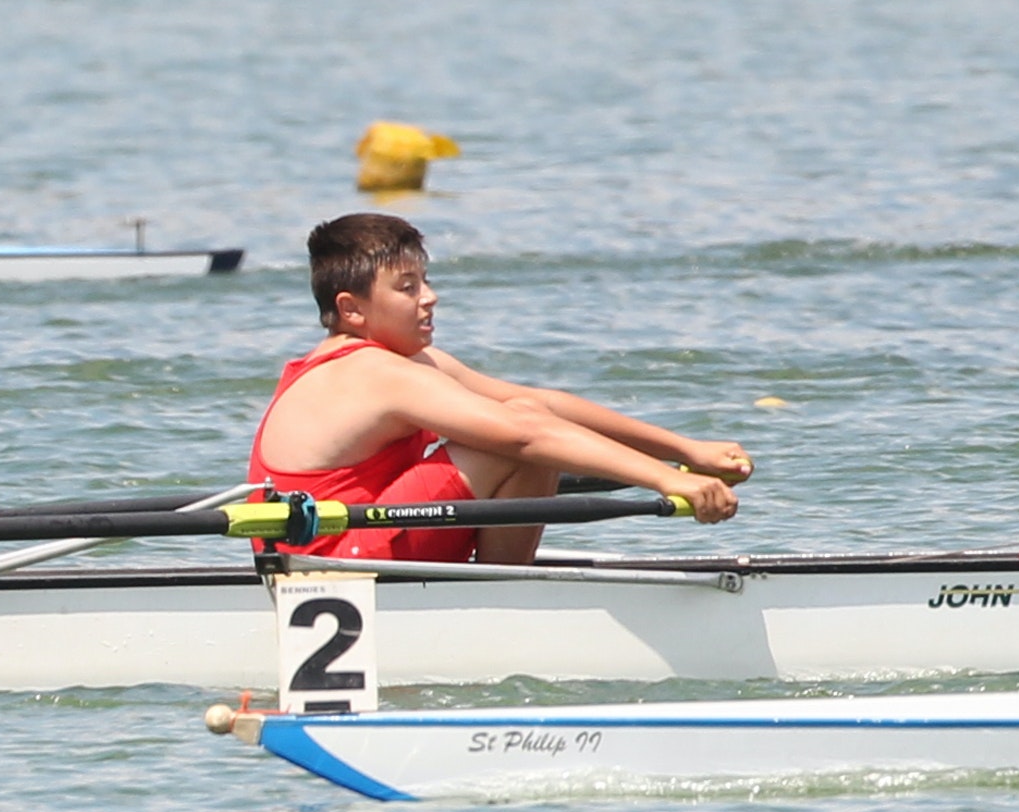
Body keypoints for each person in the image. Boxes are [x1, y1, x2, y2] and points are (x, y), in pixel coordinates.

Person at [251, 211, 745, 561]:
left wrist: (687, 449)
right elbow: (526, 431)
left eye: (425, 281)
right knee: (512, 443)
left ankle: (504, 585)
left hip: (357, 546)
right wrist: (669, 479)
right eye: (408, 288)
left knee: (523, 421)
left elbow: (539, 404)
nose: (430, 297)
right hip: (333, 565)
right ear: (351, 309)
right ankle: (505, 593)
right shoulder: (374, 374)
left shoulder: (399, 363)